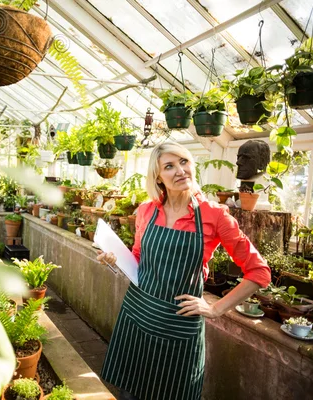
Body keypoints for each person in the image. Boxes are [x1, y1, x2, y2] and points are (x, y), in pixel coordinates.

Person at [97, 142, 270, 400]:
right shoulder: (147, 211)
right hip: (137, 317)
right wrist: (114, 260)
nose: (180, 171)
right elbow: (137, 259)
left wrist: (215, 308)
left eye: (184, 162)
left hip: (178, 327)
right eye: (169, 166)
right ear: (158, 177)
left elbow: (259, 272)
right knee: (129, 395)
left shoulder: (215, 215)